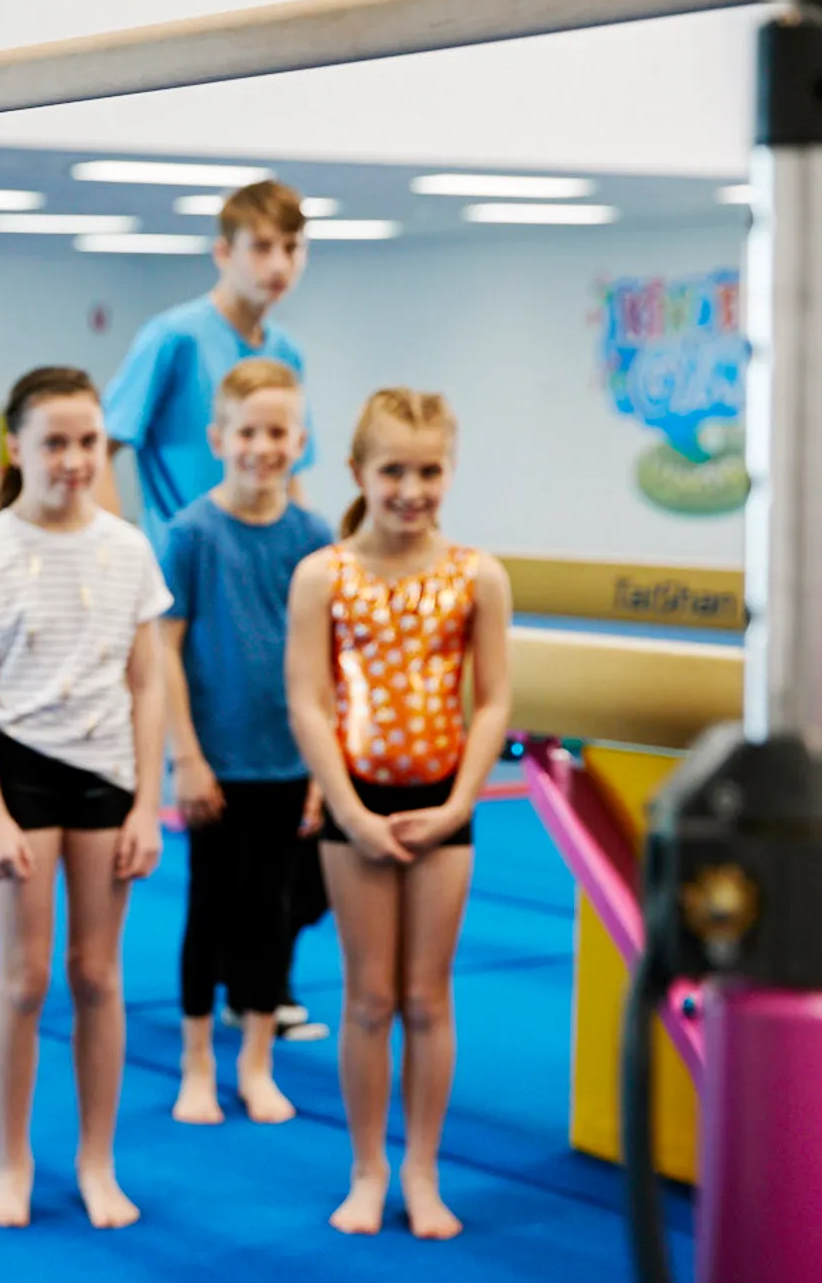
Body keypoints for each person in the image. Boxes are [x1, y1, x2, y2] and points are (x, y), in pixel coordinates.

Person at [0, 366, 169, 1232]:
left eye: (88, 444)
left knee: (100, 975)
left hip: (106, 773)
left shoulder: (129, 550)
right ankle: (12, 1157)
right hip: (22, 767)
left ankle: (98, 1157)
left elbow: (149, 683)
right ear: (18, 447)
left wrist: (148, 802)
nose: (75, 460)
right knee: (26, 978)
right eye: (56, 443)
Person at [99, 178, 326, 1041]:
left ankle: (258, 979)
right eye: (263, 247)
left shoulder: (290, 354)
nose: (279, 265)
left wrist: (311, 558)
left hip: (264, 570)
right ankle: (238, 981)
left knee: (290, 803)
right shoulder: (173, 340)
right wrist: (123, 553)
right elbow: (110, 441)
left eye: (293, 249)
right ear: (222, 250)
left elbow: (292, 465)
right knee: (220, 801)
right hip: (186, 572)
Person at [284, 388, 513, 1240]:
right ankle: (367, 1166)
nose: (411, 489)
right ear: (357, 472)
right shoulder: (325, 573)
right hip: (357, 805)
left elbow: (493, 702)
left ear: (449, 471)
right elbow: (308, 701)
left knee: (427, 997)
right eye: (393, 470)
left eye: (429, 470)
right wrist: (345, 805)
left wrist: (461, 798)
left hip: (442, 801)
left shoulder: (476, 574)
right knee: (369, 997)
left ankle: (421, 1166)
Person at [160, 360, 332, 1129]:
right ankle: (197, 1062)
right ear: (217, 438)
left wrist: (326, 767)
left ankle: (255, 1060)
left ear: (299, 440)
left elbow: (329, 658)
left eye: (278, 432)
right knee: (209, 910)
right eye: (248, 432)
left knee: (271, 912)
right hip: (217, 761)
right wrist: (186, 755)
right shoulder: (192, 534)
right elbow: (164, 650)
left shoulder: (314, 537)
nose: (263, 446)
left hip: (289, 758)